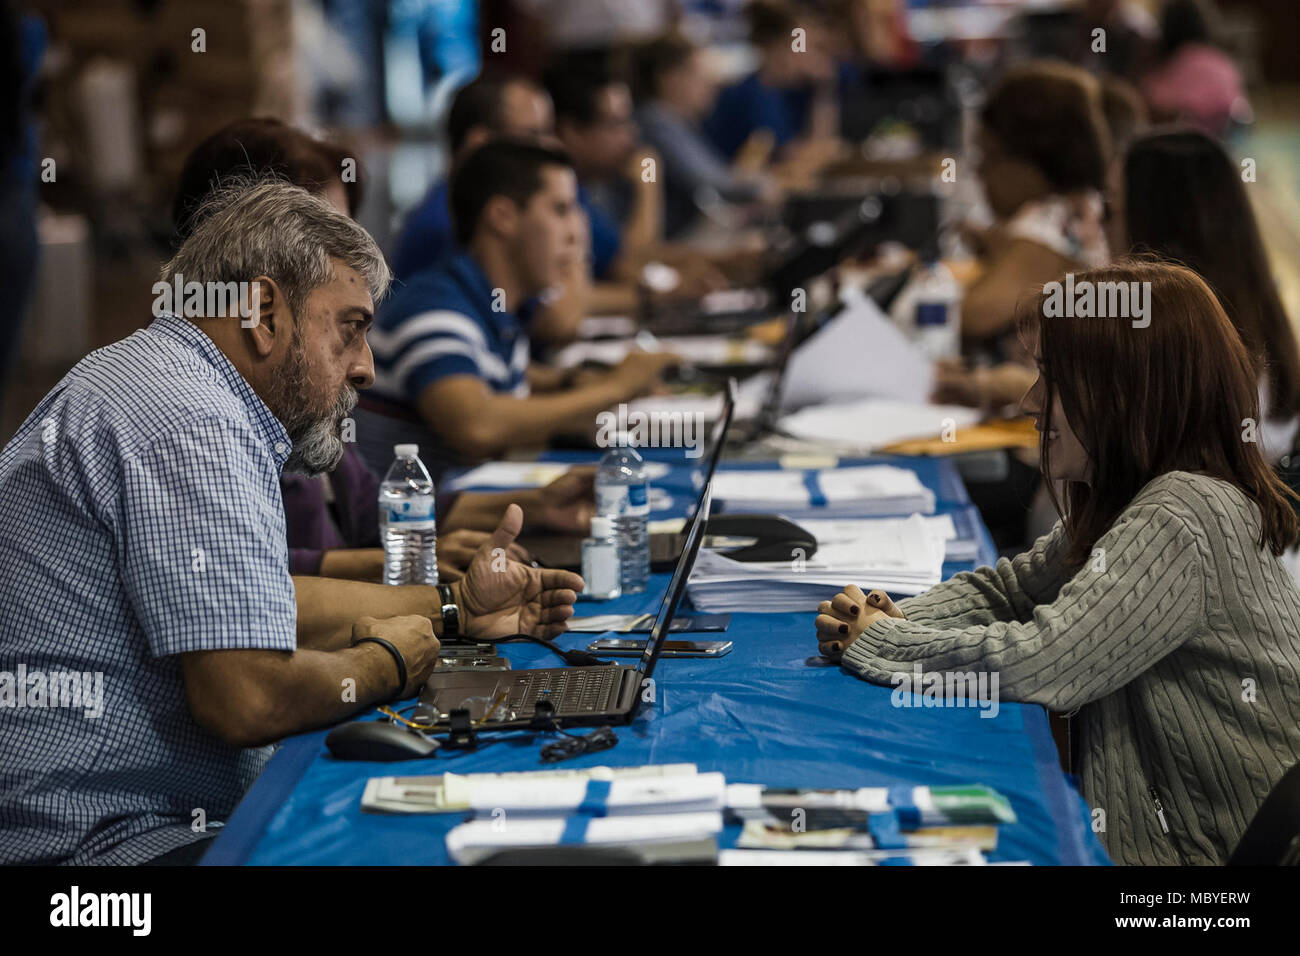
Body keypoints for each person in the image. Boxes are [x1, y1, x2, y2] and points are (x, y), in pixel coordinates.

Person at [0, 177, 583, 865]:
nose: (365, 369)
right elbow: (245, 698)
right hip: (98, 855)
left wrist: (452, 610)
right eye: (351, 329)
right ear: (265, 313)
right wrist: (387, 663)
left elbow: (264, 610)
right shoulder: (193, 422)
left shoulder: (172, 386)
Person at [816, 258, 1300, 866]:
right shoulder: (1137, 499)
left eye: (1051, 378)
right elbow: (1013, 591)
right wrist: (890, 615)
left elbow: (1046, 662)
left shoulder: (1182, 515)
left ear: (1124, 392)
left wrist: (881, 642)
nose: (1029, 401)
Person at [173, 118, 596, 582]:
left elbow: (370, 509)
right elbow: (242, 584)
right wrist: (424, 584)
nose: (363, 368)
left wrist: (535, 506)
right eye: (321, 237)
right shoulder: (195, 408)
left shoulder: (293, 389)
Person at [355, 140, 678, 482]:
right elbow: (477, 426)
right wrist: (617, 387)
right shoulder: (434, 305)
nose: (577, 233)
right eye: (561, 210)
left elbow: (501, 380)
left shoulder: (495, 306)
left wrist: (576, 381)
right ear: (503, 217)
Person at [935, 61, 1111, 410]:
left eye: (988, 155)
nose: (981, 171)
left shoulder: (1050, 226)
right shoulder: (1081, 207)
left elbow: (972, 315)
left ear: (1030, 162)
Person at [1121, 128, 1300, 464]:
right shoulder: (1255, 301)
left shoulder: (1178, 332)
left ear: (1150, 226)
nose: (1100, 223)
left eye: (1110, 208)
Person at [632, 32, 772, 238]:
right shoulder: (654, 121)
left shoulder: (680, 122)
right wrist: (761, 186)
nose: (711, 85)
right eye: (699, 75)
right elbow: (708, 180)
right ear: (668, 78)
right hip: (670, 242)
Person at [1141, 0, 1249, 138]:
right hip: (1231, 134)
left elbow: (1154, 103)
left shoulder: (1174, 63)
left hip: (1189, 137)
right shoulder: (1220, 60)